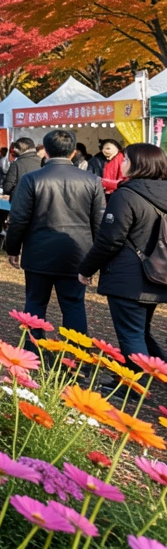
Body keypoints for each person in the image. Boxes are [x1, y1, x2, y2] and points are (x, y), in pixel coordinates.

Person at [78, 142, 167, 398]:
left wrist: (86, 269)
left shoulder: (126, 195)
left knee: (131, 334)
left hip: (130, 276)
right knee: (140, 330)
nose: (122, 163)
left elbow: (110, 240)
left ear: (139, 164)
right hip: (159, 273)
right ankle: (153, 372)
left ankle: (133, 388)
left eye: (125, 159)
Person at [4, 130, 103, 352]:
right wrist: (96, 257)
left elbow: (18, 219)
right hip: (78, 251)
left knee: (35, 301)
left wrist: (13, 248)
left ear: (45, 151)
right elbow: (98, 223)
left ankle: (32, 349)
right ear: (73, 152)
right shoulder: (92, 180)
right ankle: (76, 354)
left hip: (39, 249)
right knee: (74, 304)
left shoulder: (32, 179)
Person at [0, 137, 41, 244]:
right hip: (41, 203)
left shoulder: (17, 164)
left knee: (19, 230)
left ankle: (15, 250)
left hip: (20, 203)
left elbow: (7, 187)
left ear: (18, 149)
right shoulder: (42, 162)